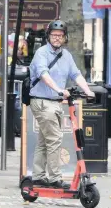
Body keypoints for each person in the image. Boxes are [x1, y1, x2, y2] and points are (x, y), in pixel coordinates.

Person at [29, 20, 95, 189]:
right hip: (42, 102)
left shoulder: (66, 55)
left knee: (45, 141)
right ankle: (54, 179)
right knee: (55, 138)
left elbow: (76, 74)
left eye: (60, 36)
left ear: (65, 38)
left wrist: (88, 91)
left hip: (56, 103)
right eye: (54, 35)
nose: (57, 38)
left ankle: (37, 177)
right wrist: (59, 89)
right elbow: (43, 74)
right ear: (48, 36)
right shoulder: (41, 53)